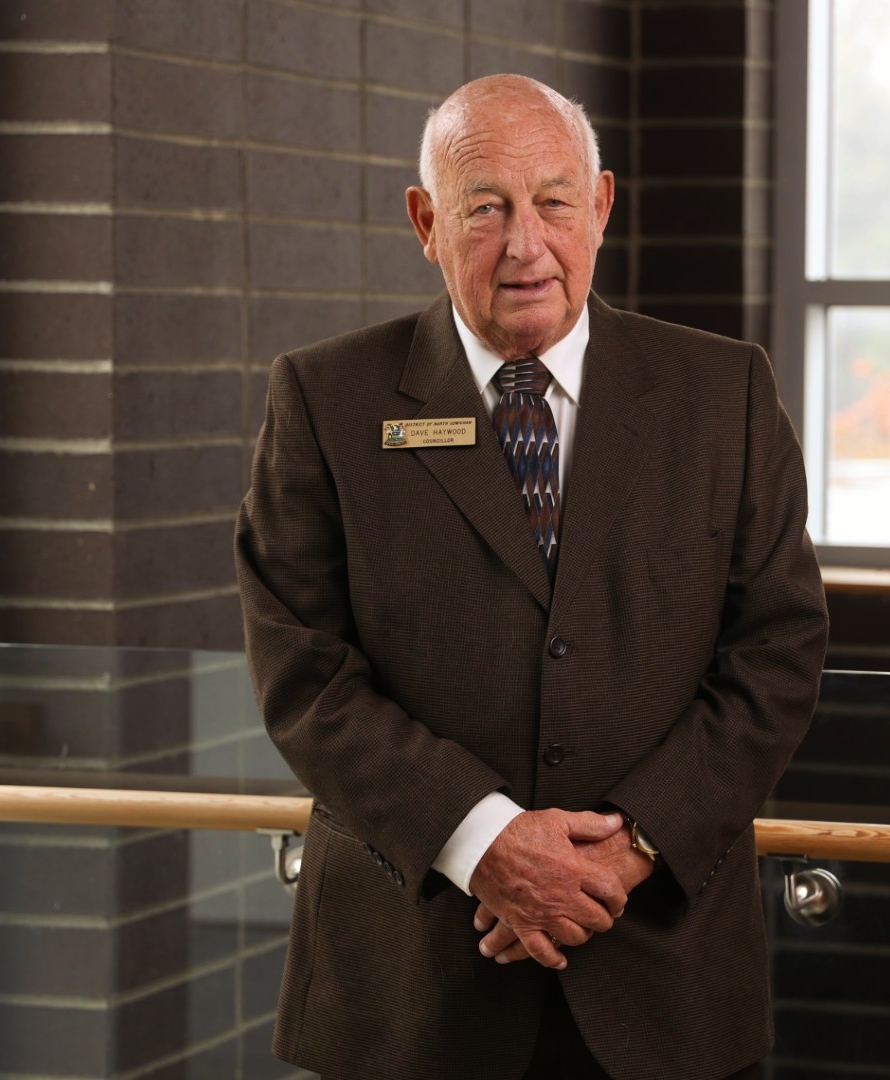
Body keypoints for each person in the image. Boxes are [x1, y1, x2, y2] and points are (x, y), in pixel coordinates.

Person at [235, 74, 827, 1080]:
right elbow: (304, 673)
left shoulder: (722, 394)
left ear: (599, 205)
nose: (525, 244)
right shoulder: (325, 401)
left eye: (553, 202)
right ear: (426, 222)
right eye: (485, 208)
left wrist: (627, 848)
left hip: (665, 974)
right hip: (410, 989)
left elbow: (777, 651)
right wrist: (485, 844)